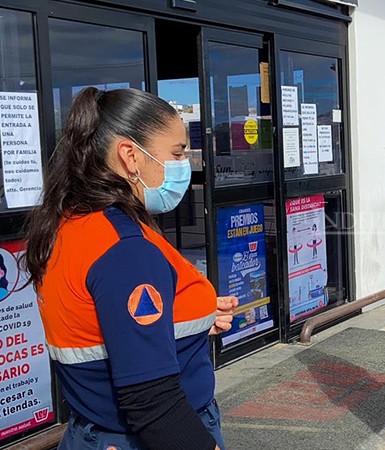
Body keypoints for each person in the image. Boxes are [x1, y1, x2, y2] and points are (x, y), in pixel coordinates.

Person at [25, 87, 239, 450]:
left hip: (90, 430)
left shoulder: (71, 224)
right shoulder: (126, 250)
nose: (184, 165)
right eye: (177, 153)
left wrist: (195, 314)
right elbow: (152, 401)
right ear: (130, 156)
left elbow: (100, 322)